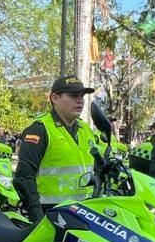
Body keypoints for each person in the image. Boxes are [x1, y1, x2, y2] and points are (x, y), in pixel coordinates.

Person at [13, 75, 97, 221]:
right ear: (54, 98)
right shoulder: (40, 129)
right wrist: (37, 217)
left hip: (85, 211)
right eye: (73, 96)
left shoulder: (85, 129)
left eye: (82, 96)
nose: (80, 100)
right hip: (51, 213)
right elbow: (23, 178)